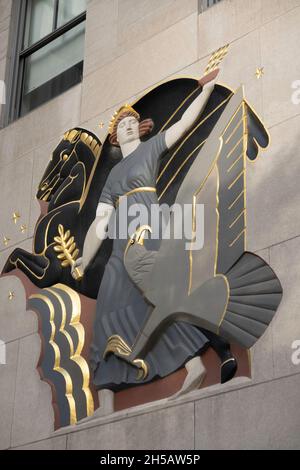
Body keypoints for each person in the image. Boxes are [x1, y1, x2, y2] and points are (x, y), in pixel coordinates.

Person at [73, 69, 237, 418]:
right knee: (109, 306)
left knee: (160, 298)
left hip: (150, 231)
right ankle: (106, 400)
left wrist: (204, 90)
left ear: (140, 127)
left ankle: (194, 366)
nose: (128, 126)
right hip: (121, 243)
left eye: (133, 122)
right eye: (122, 125)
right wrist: (84, 261)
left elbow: (183, 124)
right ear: (114, 137)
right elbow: (101, 222)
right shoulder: (114, 177)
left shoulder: (150, 150)